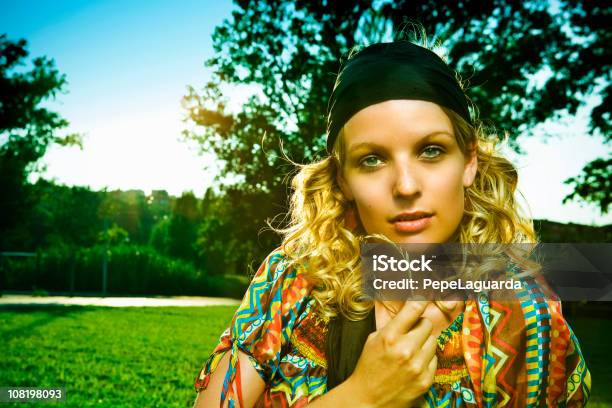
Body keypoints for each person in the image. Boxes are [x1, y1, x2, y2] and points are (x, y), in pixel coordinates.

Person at [193, 38, 591, 407]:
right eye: (372, 159)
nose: (405, 185)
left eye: (431, 151)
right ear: (343, 179)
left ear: (468, 162)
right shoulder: (292, 280)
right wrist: (362, 396)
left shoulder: (524, 314)